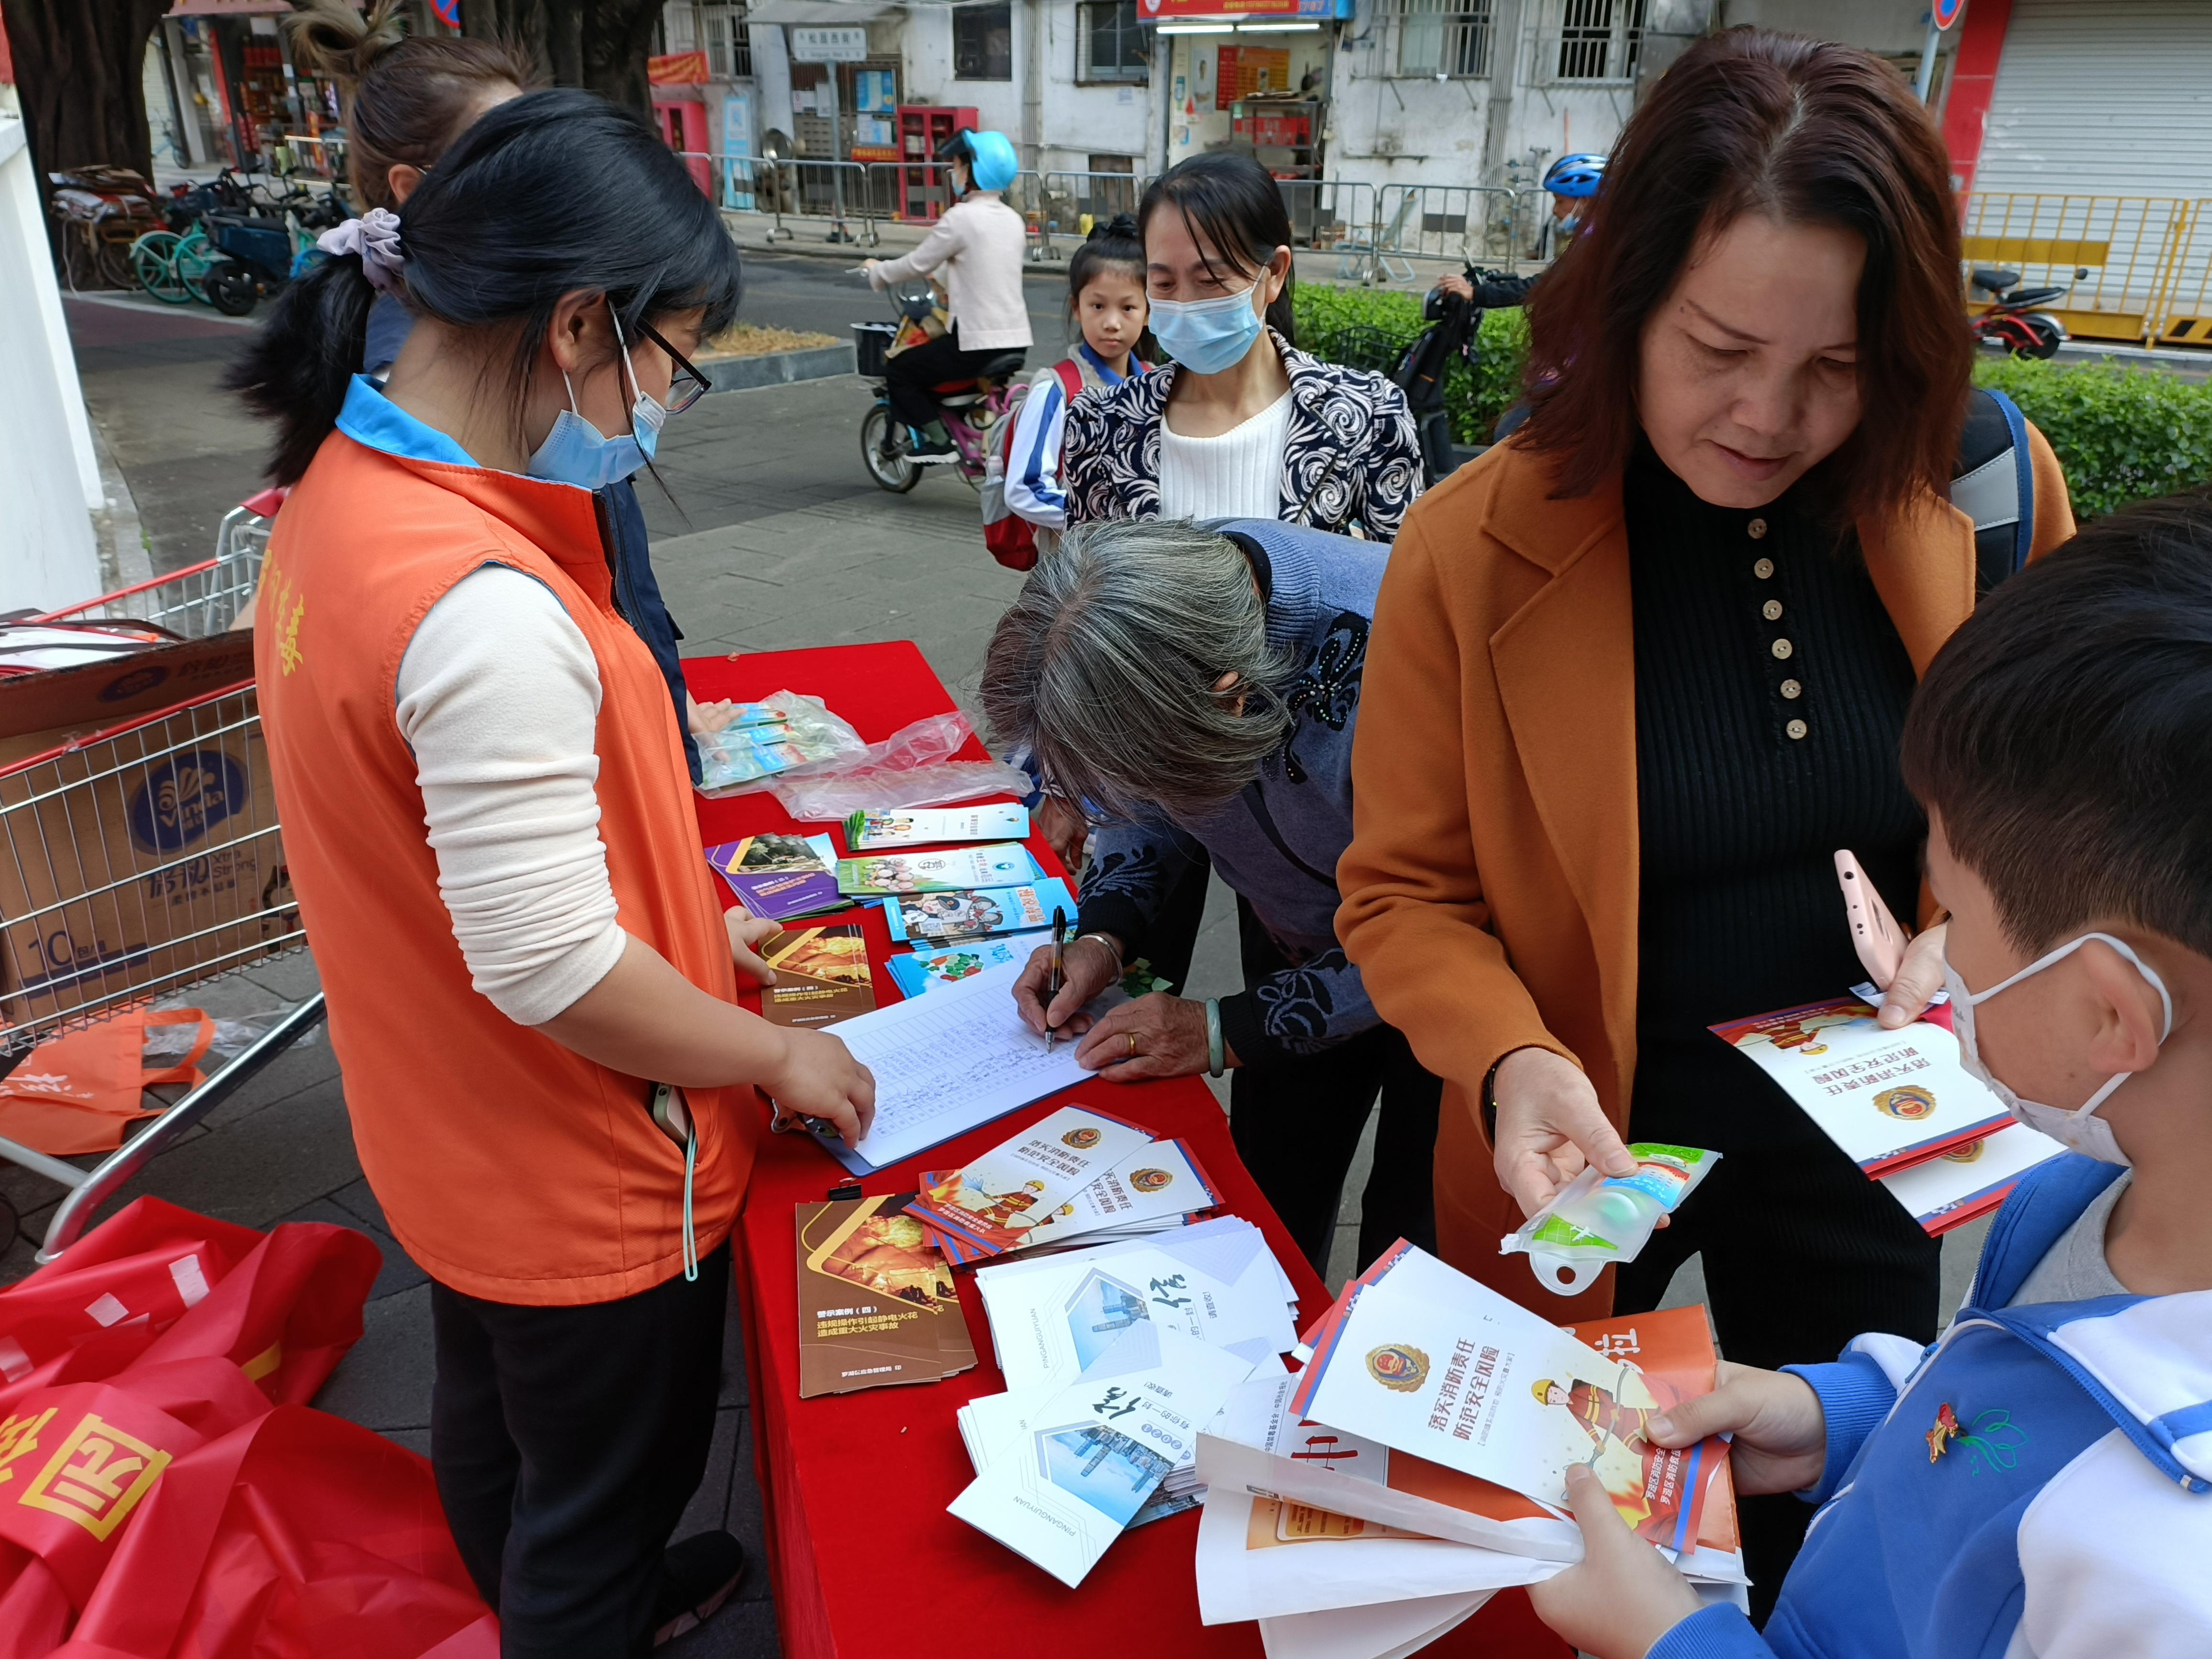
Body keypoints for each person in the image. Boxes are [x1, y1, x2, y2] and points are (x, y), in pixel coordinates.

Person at [1332, 28, 2074, 1605]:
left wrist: (1968, 936)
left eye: (1835, 366)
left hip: (1872, 1133)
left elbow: (2053, 803)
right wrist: (1512, 1058)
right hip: (1580, 1136)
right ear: (1624, 300)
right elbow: (1401, 891)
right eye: (1719, 346)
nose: (1767, 414)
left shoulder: (1979, 490)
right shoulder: (1473, 546)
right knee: (1548, 1538)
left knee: (1847, 1520)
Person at [230, 90, 876, 1655]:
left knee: (498, 1425)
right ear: (581, 322)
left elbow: (461, 850)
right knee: (599, 1496)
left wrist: (694, 920)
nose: (664, 399)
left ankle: (564, 1592)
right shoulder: (481, 602)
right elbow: (548, 959)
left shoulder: (339, 495)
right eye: (673, 356)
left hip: (448, 1123)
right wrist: (776, 1052)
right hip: (578, 1160)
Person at [1527, 491, 2212, 1659]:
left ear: (2111, 1011)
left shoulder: (2162, 1575)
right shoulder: (2097, 1195)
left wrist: (1674, 1644)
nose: (1931, 960)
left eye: (1955, 915)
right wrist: (1841, 1413)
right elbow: (2008, 1412)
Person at [287, 0, 738, 780]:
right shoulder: (487, 609)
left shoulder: (367, 467)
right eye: (501, 156)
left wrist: (656, 694)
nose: (545, 180)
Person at [982, 517, 1442, 1277]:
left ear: (1230, 700)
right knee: (1272, 1191)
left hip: (1466, 973)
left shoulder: (1408, 656)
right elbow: (1145, 794)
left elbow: (1447, 922)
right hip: (1294, 933)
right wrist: (1103, 934)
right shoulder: (1163, 627)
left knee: (1419, 1235)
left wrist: (1225, 1028)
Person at [1061, 150, 1422, 538]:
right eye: (1164, 283)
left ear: (1275, 273)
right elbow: (1086, 570)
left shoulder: (1367, 417)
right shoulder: (1101, 424)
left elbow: (1399, 570)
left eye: (1210, 281)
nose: (1184, 304)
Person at [865, 128, 1030, 456]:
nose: (953, 173)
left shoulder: (961, 218)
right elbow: (982, 264)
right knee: (937, 365)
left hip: (975, 345)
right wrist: (941, 279)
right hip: (1016, 341)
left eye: (956, 166)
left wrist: (879, 272)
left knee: (900, 370)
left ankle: (940, 443)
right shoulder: (1014, 220)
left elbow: (916, 263)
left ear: (973, 171)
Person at [1002, 212, 1152, 551]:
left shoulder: (1154, 383)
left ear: (1148, 313)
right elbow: (1025, 488)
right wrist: (1106, 514)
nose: (1112, 322)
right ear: (1076, 307)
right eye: (1098, 306)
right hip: (1077, 570)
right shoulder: (1057, 390)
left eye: (1128, 308)